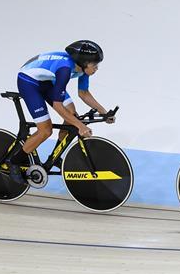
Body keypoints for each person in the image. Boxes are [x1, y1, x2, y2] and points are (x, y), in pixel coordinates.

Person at [6, 41, 113, 184]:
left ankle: (54, 157)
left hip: (46, 81)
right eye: (94, 65)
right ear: (84, 62)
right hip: (29, 82)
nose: (96, 68)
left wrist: (104, 113)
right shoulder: (65, 69)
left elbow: (83, 93)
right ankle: (14, 161)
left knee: (71, 114)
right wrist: (80, 126)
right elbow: (58, 106)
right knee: (45, 130)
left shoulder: (82, 68)